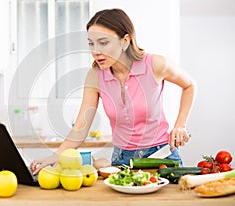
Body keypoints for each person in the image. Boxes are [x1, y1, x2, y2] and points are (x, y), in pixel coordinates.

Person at [30, 8, 196, 174]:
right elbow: (81, 126)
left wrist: (180, 125)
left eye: (103, 43)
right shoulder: (95, 76)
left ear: (125, 41)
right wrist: (56, 156)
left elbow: (189, 85)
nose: (95, 51)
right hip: (122, 160)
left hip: (162, 157)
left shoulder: (155, 64)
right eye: (91, 43)